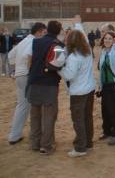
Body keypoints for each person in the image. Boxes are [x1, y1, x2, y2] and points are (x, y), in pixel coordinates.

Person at [26, 20, 64, 155]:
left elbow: (30, 60)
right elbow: (59, 65)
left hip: (34, 81)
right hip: (49, 84)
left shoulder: (36, 42)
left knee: (35, 114)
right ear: (59, 31)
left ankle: (34, 143)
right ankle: (46, 145)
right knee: (49, 116)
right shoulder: (59, 45)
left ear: (47, 29)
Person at [8, 22, 47, 145]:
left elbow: (10, 55)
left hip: (19, 75)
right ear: (39, 32)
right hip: (26, 76)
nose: (45, 35)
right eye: (44, 33)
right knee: (30, 105)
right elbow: (28, 56)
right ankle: (17, 135)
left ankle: (15, 135)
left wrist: (15, 70)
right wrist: (31, 73)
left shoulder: (24, 41)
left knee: (22, 105)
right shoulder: (33, 41)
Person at [59, 29, 96, 157]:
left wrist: (59, 69)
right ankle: (88, 143)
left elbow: (69, 75)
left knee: (78, 119)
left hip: (78, 92)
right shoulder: (88, 52)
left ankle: (80, 148)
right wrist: (78, 25)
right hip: (89, 89)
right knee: (87, 117)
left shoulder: (74, 57)